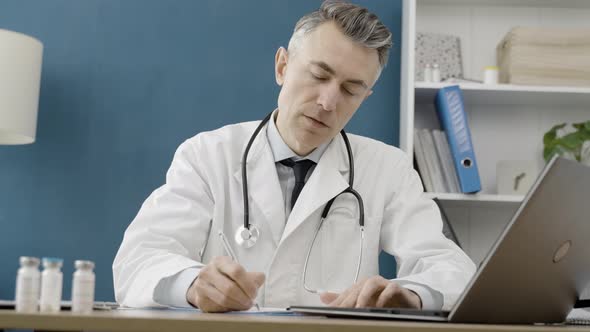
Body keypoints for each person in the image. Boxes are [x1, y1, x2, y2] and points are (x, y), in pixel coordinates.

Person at [113, 0, 475, 313]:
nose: (328, 102)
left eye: (351, 90)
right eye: (319, 75)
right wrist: (193, 285)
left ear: (365, 97)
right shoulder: (207, 156)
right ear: (282, 67)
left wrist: (410, 295)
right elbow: (138, 261)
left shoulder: (389, 170)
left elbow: (452, 269)